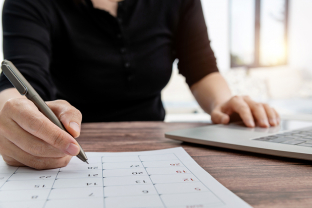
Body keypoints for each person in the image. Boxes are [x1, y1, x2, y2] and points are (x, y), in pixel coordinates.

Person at [0, 0, 280, 169]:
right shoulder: (28, 4)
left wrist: (222, 102)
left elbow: (202, 68)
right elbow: (23, 82)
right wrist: (11, 116)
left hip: (159, 143)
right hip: (69, 144)